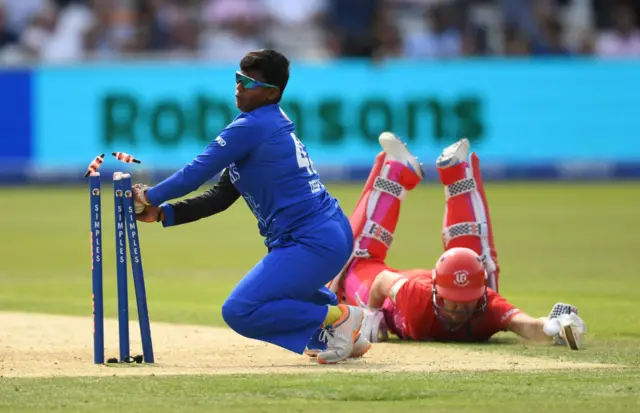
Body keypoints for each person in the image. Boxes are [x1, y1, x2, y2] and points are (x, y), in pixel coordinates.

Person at [132, 49, 370, 364]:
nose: (240, 87)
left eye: (249, 82)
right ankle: (340, 333)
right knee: (274, 296)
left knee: (240, 310)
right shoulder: (262, 124)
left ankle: (340, 318)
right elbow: (221, 195)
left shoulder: (253, 127)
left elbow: (195, 173)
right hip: (321, 234)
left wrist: (150, 196)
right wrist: (164, 212)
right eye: (238, 78)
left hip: (312, 240)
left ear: (273, 92)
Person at [307, 134, 586, 355]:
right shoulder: (416, 295)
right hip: (395, 290)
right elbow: (380, 282)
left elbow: (524, 324)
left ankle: (427, 171)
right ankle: (409, 173)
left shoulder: (486, 304)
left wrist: (555, 328)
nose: (459, 315)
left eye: (467, 305)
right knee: (354, 262)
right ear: (436, 293)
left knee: (477, 264)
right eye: (454, 304)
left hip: (454, 280)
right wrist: (373, 310)